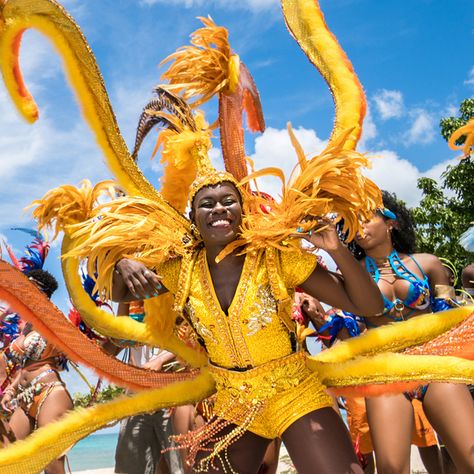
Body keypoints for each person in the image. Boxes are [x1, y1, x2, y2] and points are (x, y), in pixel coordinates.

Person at [346, 190, 474, 474]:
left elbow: (450, 320)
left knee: (470, 458)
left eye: (365, 217)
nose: (359, 226)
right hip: (385, 371)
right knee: (391, 468)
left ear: (391, 222)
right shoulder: (351, 275)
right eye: (351, 222)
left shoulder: (427, 264)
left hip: (434, 367)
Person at [0, 269, 73, 474]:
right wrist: (11, 391)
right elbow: (25, 366)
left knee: (51, 463)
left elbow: (74, 346)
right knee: (7, 457)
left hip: (50, 393)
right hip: (24, 397)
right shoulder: (27, 326)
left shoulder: (52, 318)